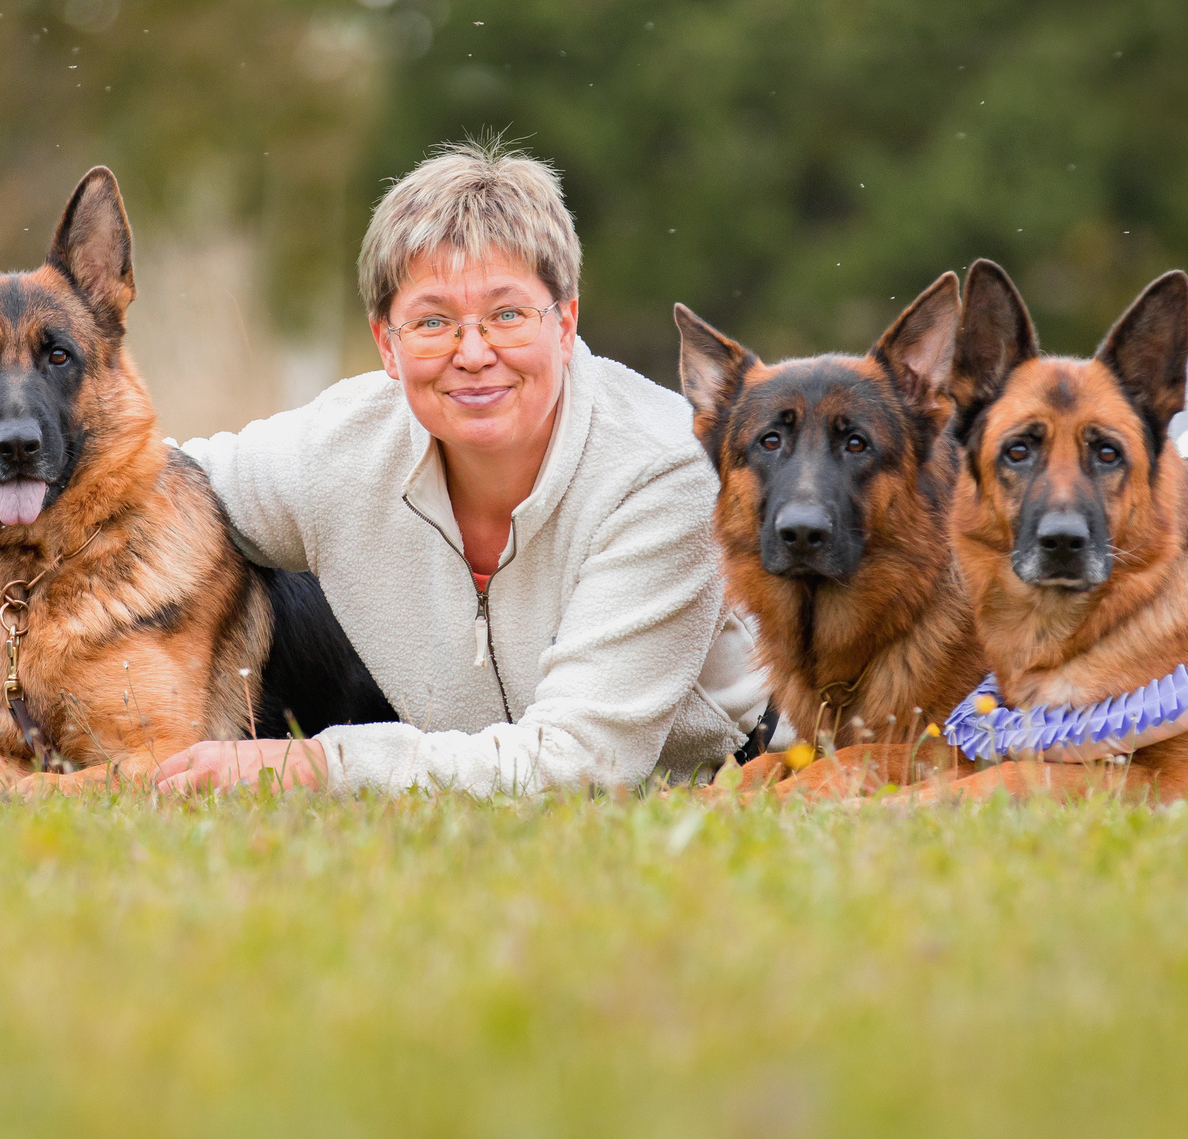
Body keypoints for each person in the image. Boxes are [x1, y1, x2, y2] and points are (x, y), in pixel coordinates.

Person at [150, 137, 765, 795]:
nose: (472, 353)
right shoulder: (343, 446)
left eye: (508, 314)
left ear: (565, 324)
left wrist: (317, 765)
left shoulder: (664, 470)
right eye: (432, 322)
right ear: (386, 343)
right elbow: (149, 484)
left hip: (717, 783)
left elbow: (581, 763)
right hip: (450, 781)